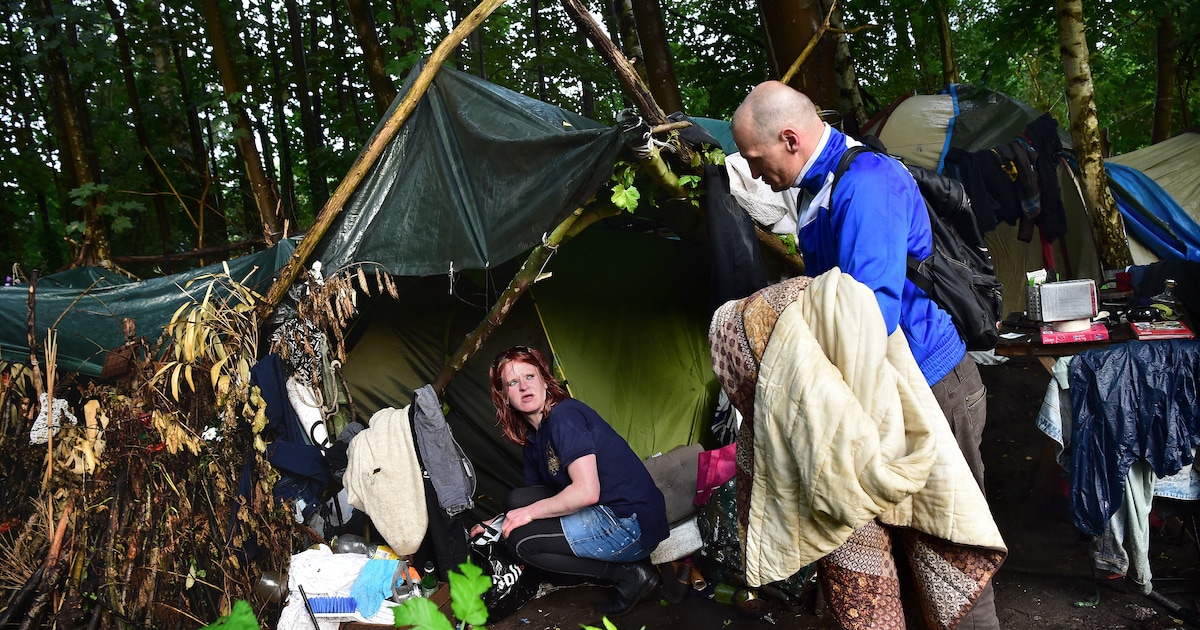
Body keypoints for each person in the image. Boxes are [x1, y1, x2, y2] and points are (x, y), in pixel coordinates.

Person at [731, 81, 998, 628]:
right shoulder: (816, 189)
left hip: (932, 386)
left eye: (757, 161)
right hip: (884, 387)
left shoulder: (867, 184)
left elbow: (867, 318)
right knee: (904, 546)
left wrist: (785, 329)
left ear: (790, 137)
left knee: (949, 544)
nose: (755, 175)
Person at [473, 345, 668, 617]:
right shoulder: (533, 439)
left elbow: (586, 492)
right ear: (504, 396)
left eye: (530, 376)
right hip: (605, 510)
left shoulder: (564, 416)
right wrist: (495, 524)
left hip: (629, 523)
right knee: (514, 501)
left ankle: (629, 574)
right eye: (513, 383)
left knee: (521, 543)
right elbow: (539, 497)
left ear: (544, 378)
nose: (524, 387)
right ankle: (622, 565)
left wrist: (526, 515)